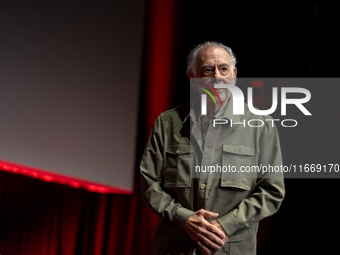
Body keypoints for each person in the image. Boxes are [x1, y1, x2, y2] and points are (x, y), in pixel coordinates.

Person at [140, 41, 285, 255]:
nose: (217, 76)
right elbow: (148, 182)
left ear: (234, 76)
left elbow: (272, 190)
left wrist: (225, 225)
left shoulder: (260, 126)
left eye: (223, 69)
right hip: (174, 249)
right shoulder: (167, 123)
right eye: (208, 69)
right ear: (193, 77)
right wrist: (185, 219)